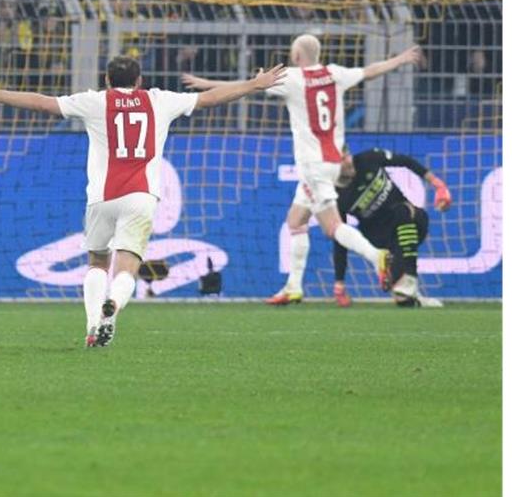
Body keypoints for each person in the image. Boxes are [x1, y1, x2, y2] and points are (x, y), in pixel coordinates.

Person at [0, 56, 287, 347]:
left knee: (97, 262)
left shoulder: (94, 101)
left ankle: (92, 325)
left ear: (107, 80)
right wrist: (254, 85)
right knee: (127, 264)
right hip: (141, 198)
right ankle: (113, 306)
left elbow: (41, 102)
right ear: (139, 81)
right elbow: (210, 98)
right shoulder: (160, 100)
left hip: (101, 197)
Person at [182, 34, 425, 304]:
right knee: (296, 221)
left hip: (313, 165)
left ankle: (377, 257)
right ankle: (293, 287)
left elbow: (250, 85)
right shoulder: (335, 74)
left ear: (296, 56)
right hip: (334, 161)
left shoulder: (294, 79)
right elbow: (370, 71)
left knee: (332, 226)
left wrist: (207, 84)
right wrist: (400, 59)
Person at [330, 147, 451, 308]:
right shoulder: (335, 196)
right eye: (342, 160)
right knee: (404, 301)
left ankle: (406, 280)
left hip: (411, 220)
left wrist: (438, 184)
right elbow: (340, 239)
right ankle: (409, 291)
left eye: (347, 156)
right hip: (379, 238)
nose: (348, 161)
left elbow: (405, 161)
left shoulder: (368, 158)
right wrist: (339, 283)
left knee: (403, 211)